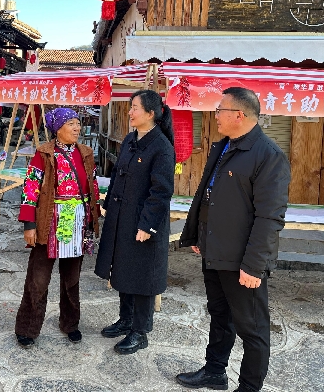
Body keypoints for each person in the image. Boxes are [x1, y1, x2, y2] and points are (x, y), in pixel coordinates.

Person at [176, 87, 290, 392]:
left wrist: (253, 266)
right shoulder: (225, 146)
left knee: (252, 328)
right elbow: (209, 196)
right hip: (215, 250)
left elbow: (270, 217)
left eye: (220, 110)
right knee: (220, 315)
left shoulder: (268, 156)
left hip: (242, 259)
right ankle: (215, 372)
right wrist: (198, 234)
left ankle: (249, 387)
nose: (215, 116)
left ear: (238, 115)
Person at [95, 89, 175, 355]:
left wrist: (147, 225)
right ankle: (126, 319)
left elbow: (161, 191)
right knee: (123, 269)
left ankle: (140, 331)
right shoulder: (131, 138)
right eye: (130, 107)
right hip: (122, 217)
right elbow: (117, 174)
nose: (130, 112)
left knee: (143, 276)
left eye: (135, 108)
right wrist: (108, 205)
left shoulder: (161, 147)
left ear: (150, 113)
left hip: (143, 223)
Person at [15, 108, 100, 348]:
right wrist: (29, 225)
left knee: (72, 278)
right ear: (58, 128)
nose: (77, 128)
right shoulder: (43, 154)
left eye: (77, 123)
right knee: (38, 278)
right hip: (48, 222)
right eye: (71, 123)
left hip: (77, 223)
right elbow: (30, 189)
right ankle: (27, 328)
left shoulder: (86, 153)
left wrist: (93, 217)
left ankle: (70, 324)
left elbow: (92, 185)